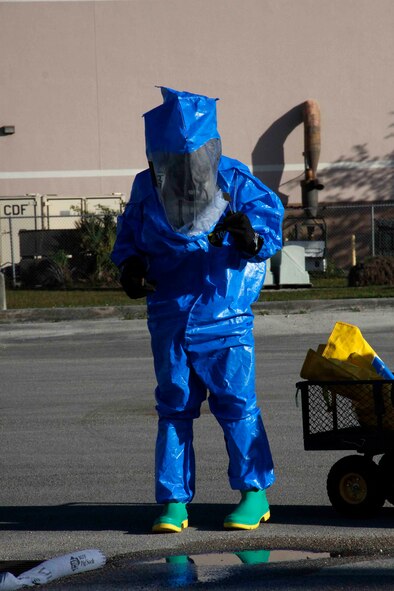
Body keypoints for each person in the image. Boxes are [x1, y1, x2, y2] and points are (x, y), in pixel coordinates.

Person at [111, 87, 284, 533]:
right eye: (172, 159)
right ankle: (173, 503)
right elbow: (129, 236)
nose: (186, 170)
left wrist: (251, 239)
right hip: (170, 313)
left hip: (223, 311)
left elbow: (267, 226)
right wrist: (130, 268)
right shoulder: (146, 186)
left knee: (237, 403)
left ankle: (254, 493)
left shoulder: (235, 180)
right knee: (173, 406)